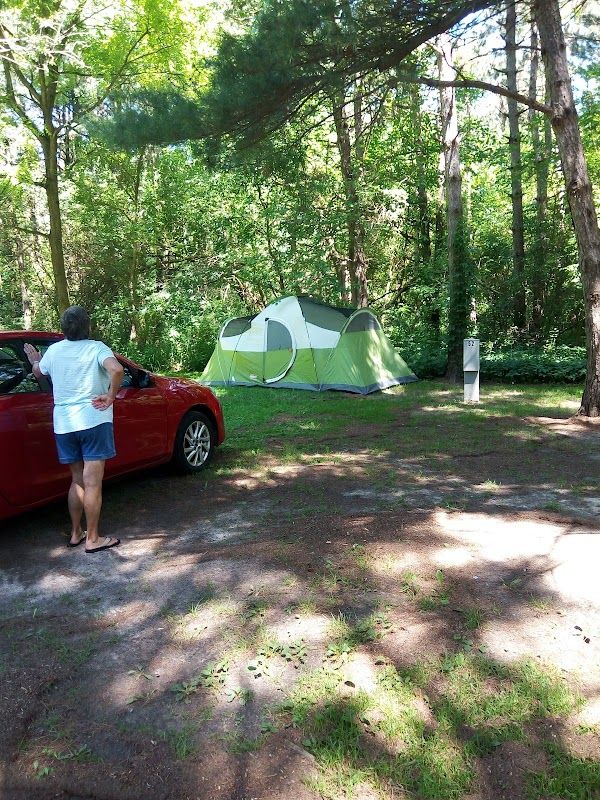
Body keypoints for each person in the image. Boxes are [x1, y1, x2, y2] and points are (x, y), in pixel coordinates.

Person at [24, 306, 124, 554]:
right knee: (93, 483)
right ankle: (93, 539)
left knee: (77, 480)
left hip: (65, 424)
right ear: (87, 326)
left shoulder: (54, 351)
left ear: (64, 328)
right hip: (93, 420)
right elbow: (117, 369)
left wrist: (35, 360)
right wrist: (111, 395)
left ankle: (76, 533)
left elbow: (38, 372)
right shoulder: (96, 348)